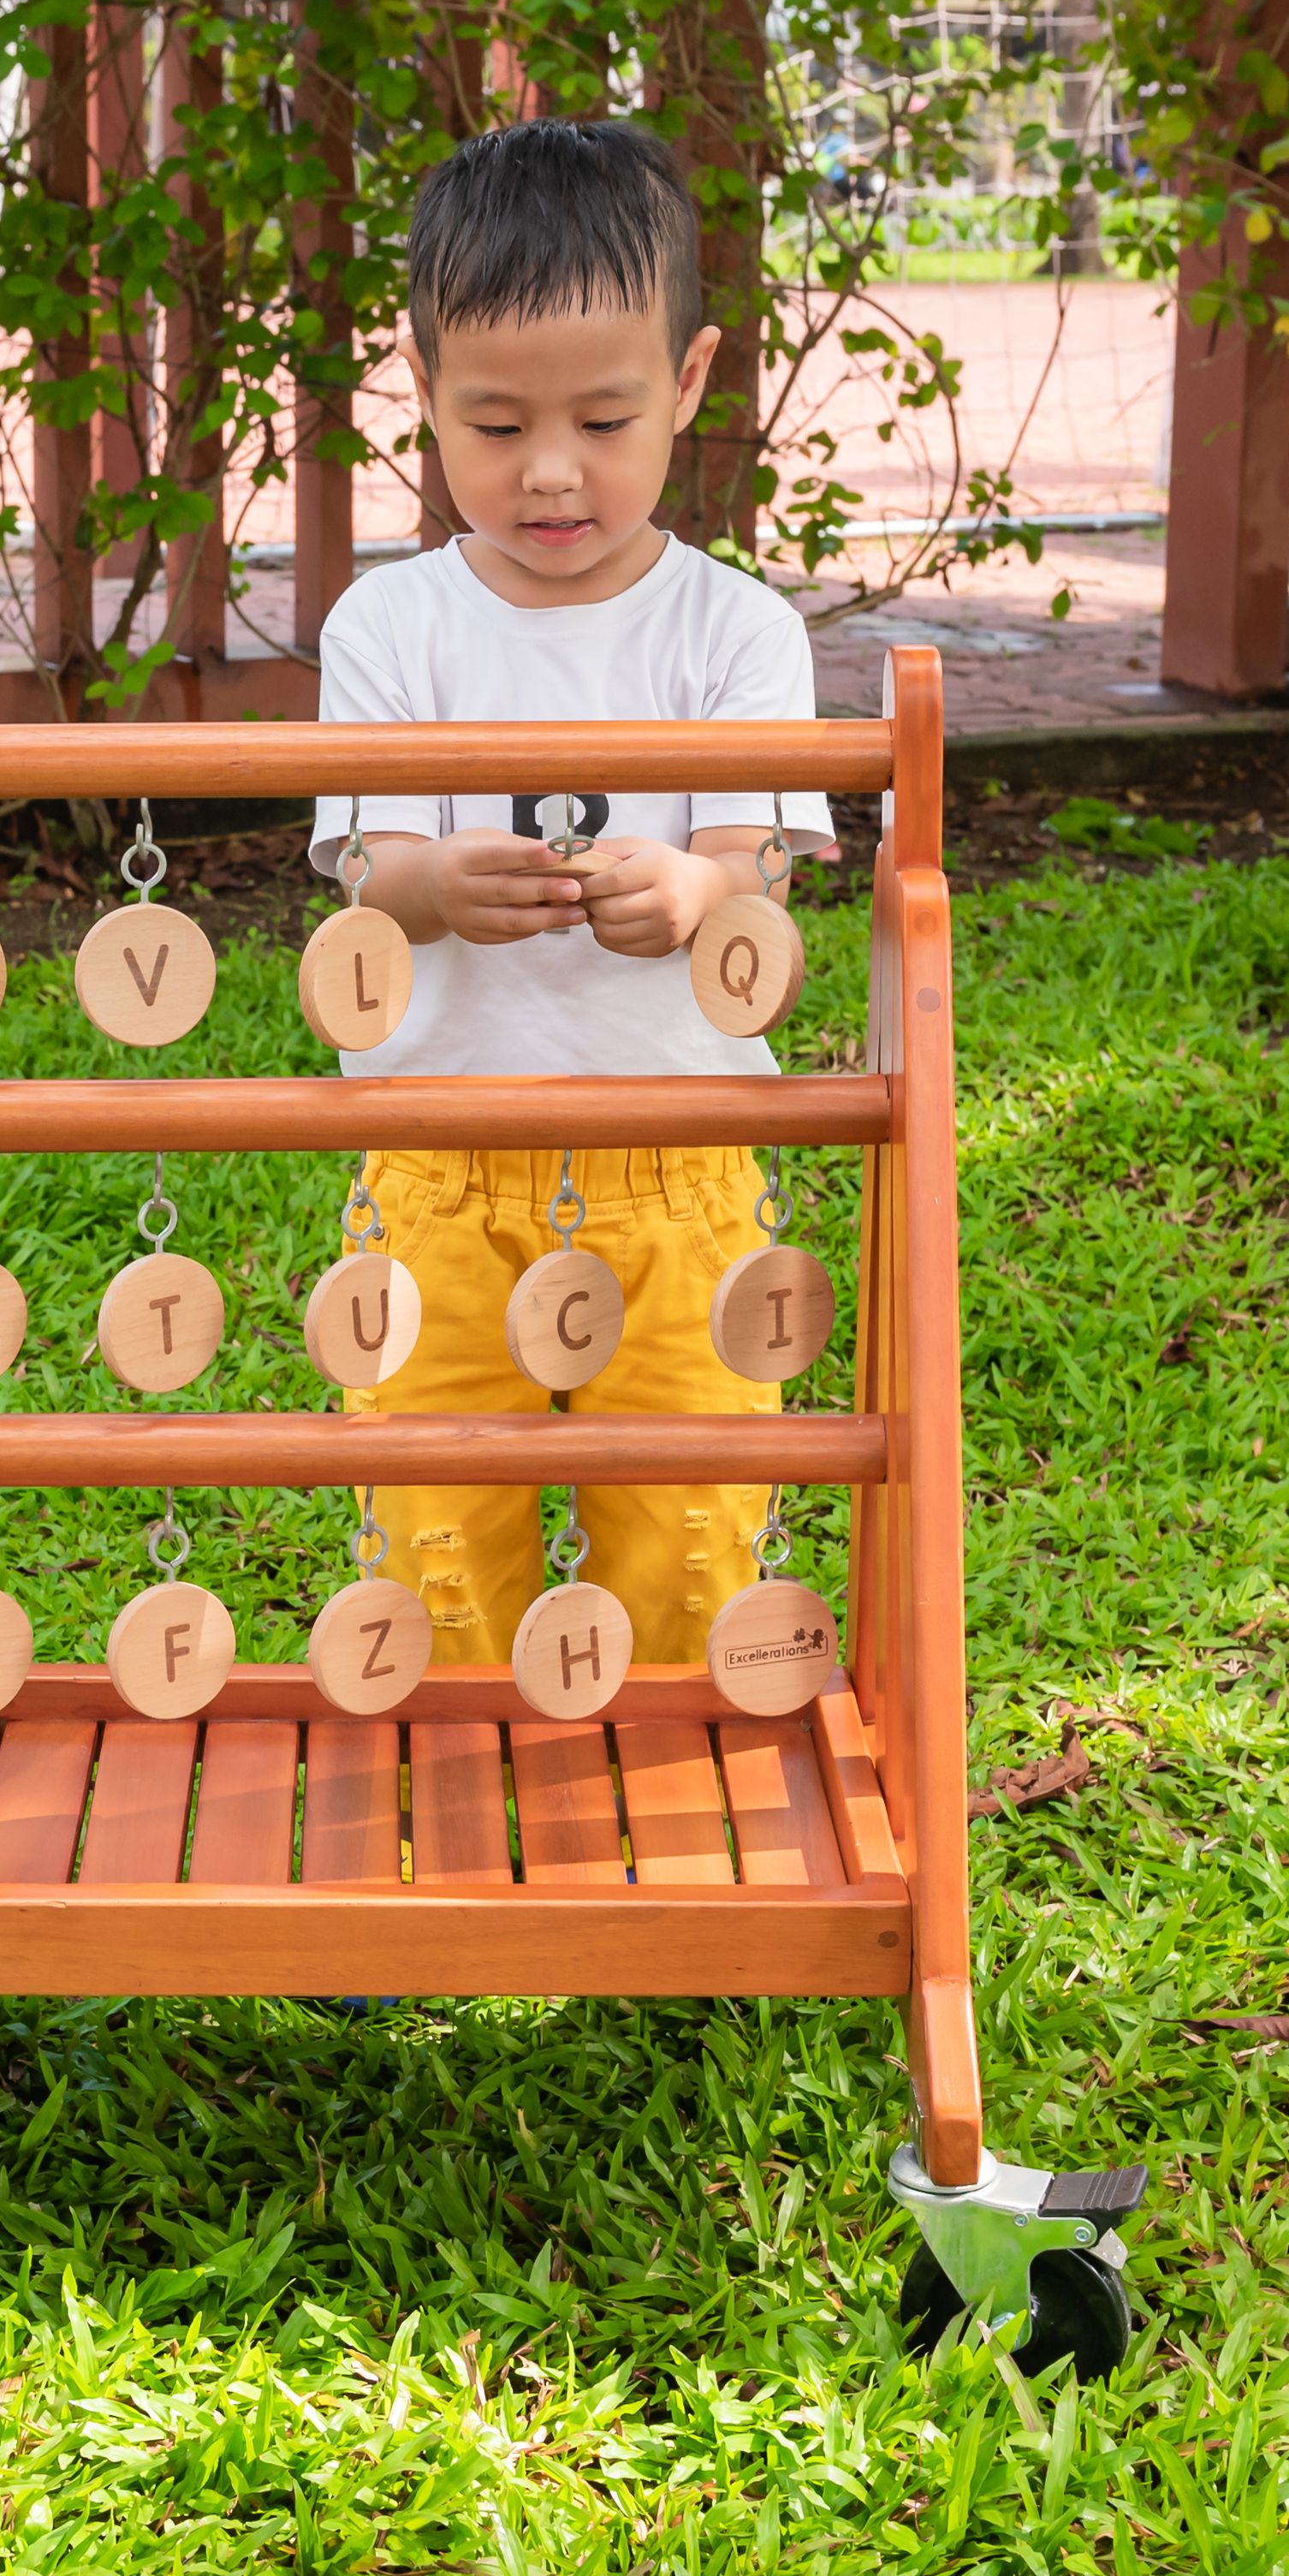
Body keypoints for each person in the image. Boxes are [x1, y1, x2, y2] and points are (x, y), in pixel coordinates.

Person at [310, 116, 834, 1669]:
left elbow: (758, 909)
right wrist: (428, 885)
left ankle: (666, 1831)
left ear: (689, 380)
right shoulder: (388, 627)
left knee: (686, 1535)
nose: (552, 473)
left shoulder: (737, 635)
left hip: (680, 1168)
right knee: (435, 1543)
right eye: (493, 424)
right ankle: (462, 1838)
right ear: (418, 392)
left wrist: (693, 889)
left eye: (606, 418)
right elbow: (366, 876)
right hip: (435, 1172)